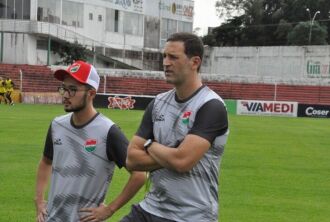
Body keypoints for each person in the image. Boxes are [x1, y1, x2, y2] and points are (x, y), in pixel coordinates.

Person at [122, 32, 229, 222]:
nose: (165, 63)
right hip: (149, 209)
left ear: (195, 62)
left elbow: (182, 162)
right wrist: (172, 153)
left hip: (191, 215)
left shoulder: (211, 106)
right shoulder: (158, 103)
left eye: (173, 57)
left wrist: (149, 145)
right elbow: (131, 159)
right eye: (164, 56)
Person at [35, 60, 146, 222]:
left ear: (91, 94)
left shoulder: (109, 131)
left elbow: (139, 175)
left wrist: (110, 209)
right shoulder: (57, 125)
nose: (65, 95)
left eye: (72, 89)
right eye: (64, 88)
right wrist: (39, 201)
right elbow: (46, 162)